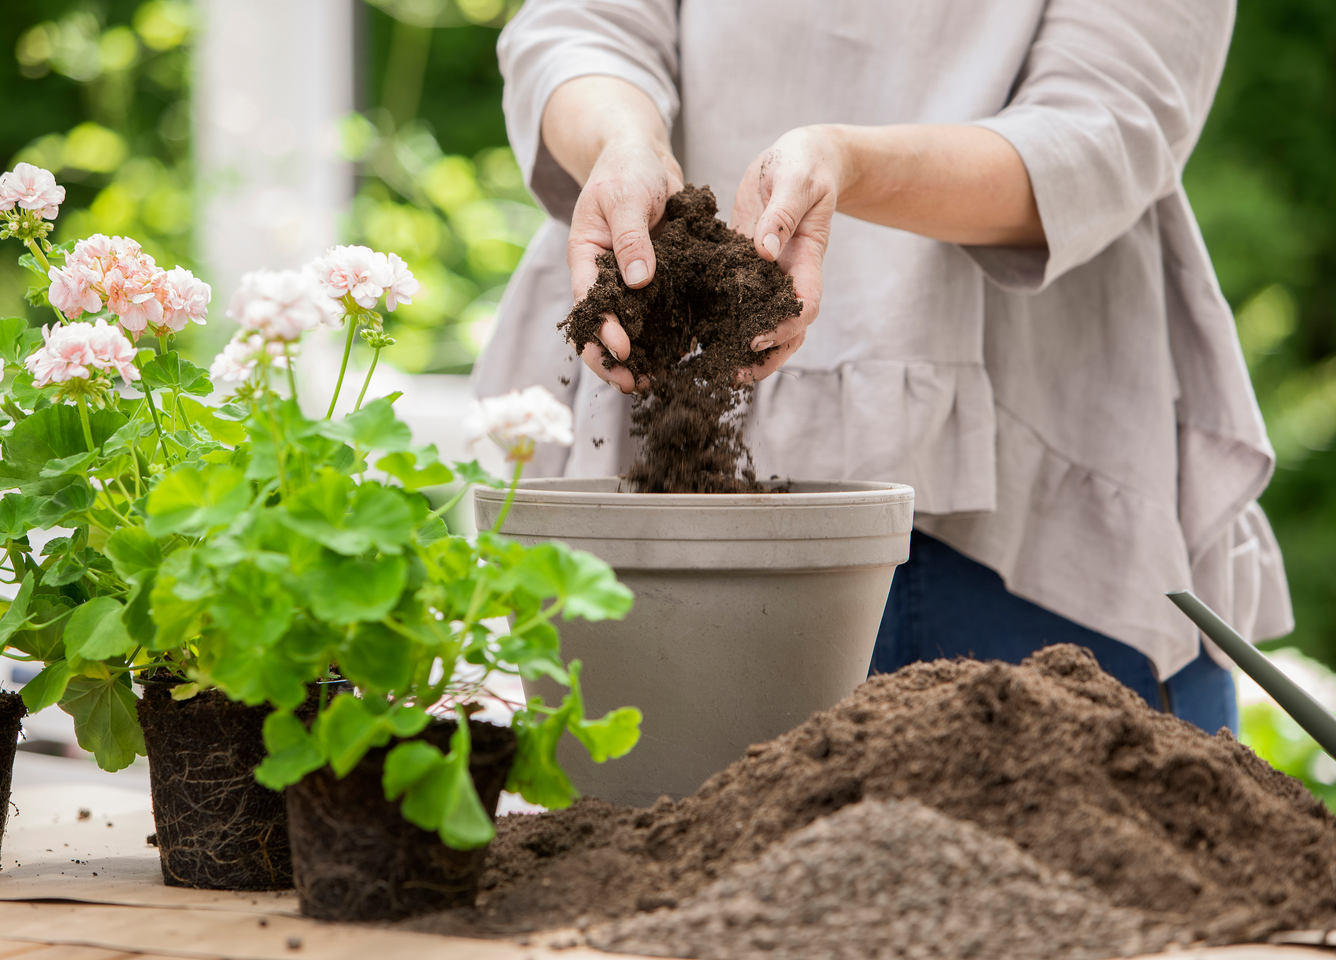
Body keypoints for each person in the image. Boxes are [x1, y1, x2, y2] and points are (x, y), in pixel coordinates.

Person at [475, 0, 1294, 735]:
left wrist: (844, 164)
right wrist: (624, 140)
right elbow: (579, 25)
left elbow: (1103, 125)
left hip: (1031, 520)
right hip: (680, 517)